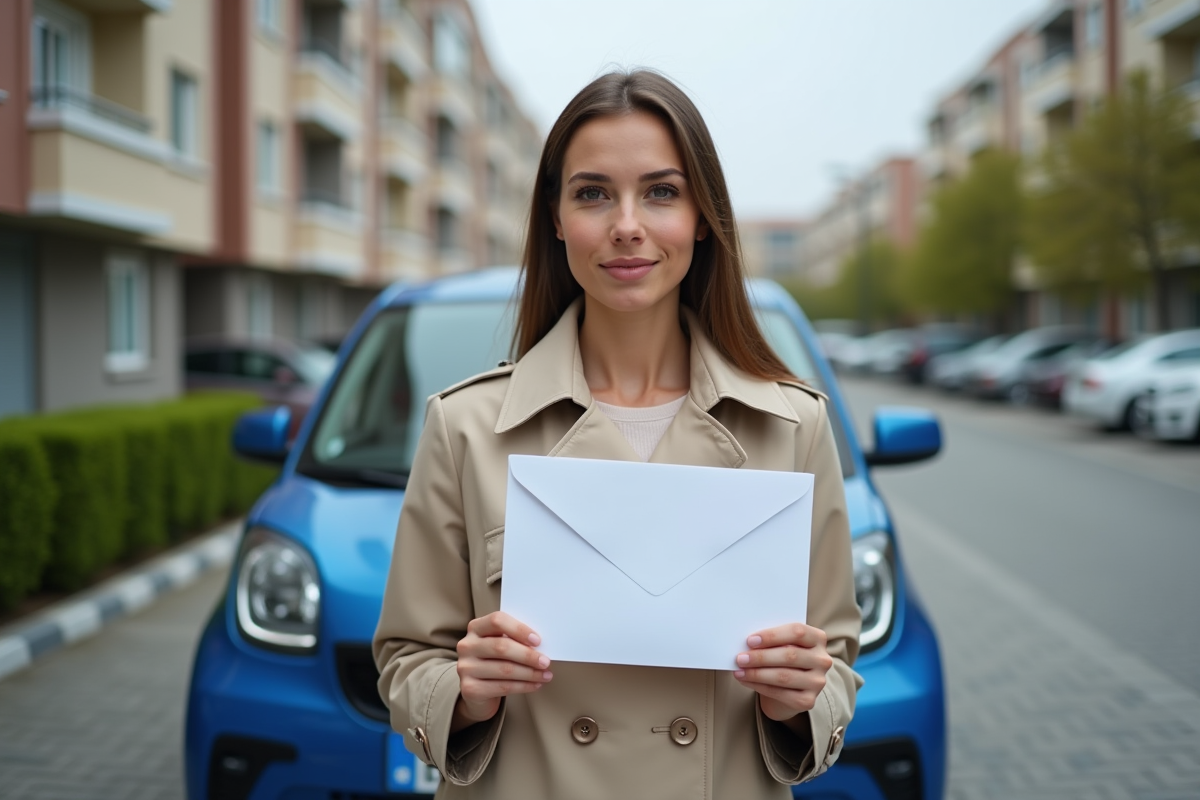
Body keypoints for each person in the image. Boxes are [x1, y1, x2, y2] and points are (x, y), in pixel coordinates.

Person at [373, 69, 862, 800]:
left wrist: (799, 700)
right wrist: (465, 692)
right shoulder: (465, 426)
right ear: (557, 218)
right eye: (593, 193)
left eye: (661, 191)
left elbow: (838, 666)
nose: (626, 223)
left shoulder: (793, 423)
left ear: (702, 215)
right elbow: (408, 657)